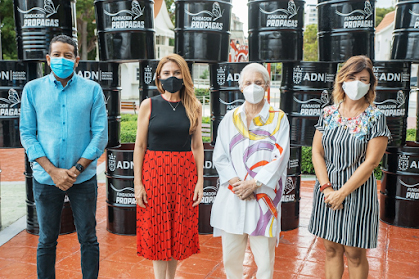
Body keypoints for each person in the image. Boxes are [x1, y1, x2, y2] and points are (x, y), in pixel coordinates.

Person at [20, 35, 108, 279]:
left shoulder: (92, 90)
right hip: (46, 180)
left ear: (77, 60)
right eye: (56, 55)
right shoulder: (32, 90)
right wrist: (53, 171)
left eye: (67, 55)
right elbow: (27, 134)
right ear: (48, 59)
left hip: (83, 180)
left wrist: (76, 170)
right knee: (46, 239)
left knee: (88, 237)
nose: (62, 60)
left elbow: (100, 135)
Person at [308, 55, 391, 279]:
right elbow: (317, 152)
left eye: (363, 79)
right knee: (331, 249)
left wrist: (342, 193)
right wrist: (327, 188)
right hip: (327, 191)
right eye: (352, 77)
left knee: (354, 254)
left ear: (370, 84)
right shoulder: (328, 113)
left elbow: (371, 162)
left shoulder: (376, 118)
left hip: (357, 193)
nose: (357, 83)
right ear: (342, 80)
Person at [210, 63, 290, 279]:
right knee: (231, 259)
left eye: (258, 83)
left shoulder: (279, 118)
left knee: (264, 262)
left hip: (263, 200)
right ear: (240, 86)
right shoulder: (230, 118)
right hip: (234, 196)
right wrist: (237, 183)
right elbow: (220, 155)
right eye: (248, 83)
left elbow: (279, 157)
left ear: (266, 86)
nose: (253, 87)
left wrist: (254, 184)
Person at [134, 54, 204, 279]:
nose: (171, 77)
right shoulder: (149, 104)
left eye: (176, 73)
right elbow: (140, 146)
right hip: (155, 172)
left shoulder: (194, 106)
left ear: (184, 76)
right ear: (158, 77)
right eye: (166, 73)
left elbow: (198, 146)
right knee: (157, 228)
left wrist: (200, 181)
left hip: (184, 174)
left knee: (177, 230)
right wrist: (137, 183)